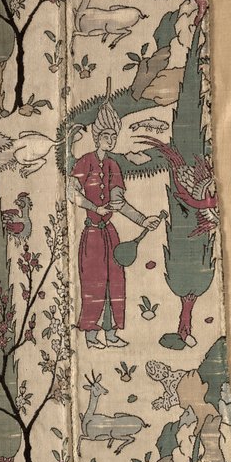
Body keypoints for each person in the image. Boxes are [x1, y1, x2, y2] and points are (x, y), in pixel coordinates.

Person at [69, 92, 161, 349]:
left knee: (115, 281)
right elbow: (72, 193)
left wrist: (143, 220)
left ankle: (110, 334)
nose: (110, 140)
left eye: (113, 136)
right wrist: (94, 207)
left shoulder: (113, 166)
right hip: (92, 235)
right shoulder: (85, 162)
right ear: (97, 137)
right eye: (106, 136)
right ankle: (90, 335)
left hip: (110, 234)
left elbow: (119, 203)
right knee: (93, 283)